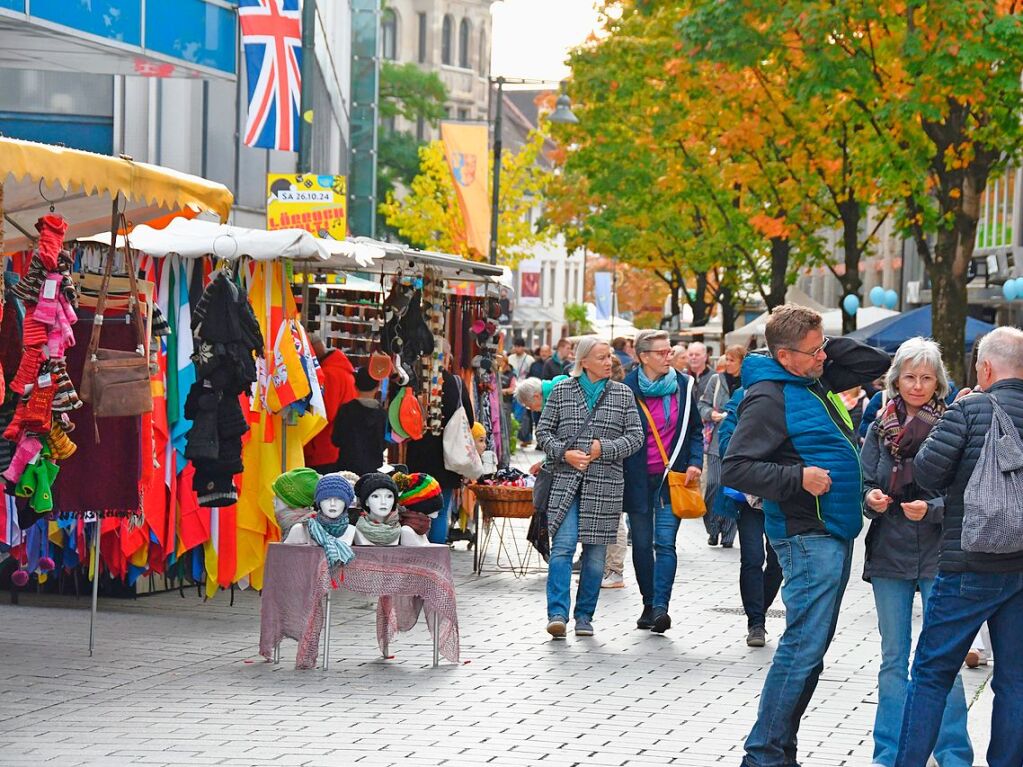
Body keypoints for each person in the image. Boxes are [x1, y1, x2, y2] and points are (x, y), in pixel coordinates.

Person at [721, 304, 890, 767]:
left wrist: (822, 346)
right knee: (802, 646)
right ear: (782, 355)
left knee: (810, 649)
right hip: (805, 533)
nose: (823, 357)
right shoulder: (770, 395)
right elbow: (735, 467)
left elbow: (876, 364)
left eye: (822, 349)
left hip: (831, 531)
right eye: (813, 351)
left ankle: (780, 749)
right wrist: (799, 479)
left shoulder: (810, 378)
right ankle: (762, 754)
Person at [897, 327, 1023, 767]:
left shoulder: (968, 410)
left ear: (985, 368)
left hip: (969, 562)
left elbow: (927, 474)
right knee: (1016, 680)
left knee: (931, 673)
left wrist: (953, 414)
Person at [860, 337, 972, 767]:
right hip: (889, 551)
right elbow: (864, 482)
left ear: (939, 381)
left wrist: (934, 509)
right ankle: (888, 754)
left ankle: (953, 755)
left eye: (927, 377)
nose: (918, 385)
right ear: (895, 379)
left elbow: (965, 493)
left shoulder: (955, 424)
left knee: (944, 656)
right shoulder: (878, 426)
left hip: (943, 551)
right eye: (910, 376)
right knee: (893, 659)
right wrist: (871, 499)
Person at [536, 337, 643, 638]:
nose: (608, 362)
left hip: (605, 484)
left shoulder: (622, 394)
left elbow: (636, 438)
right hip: (566, 481)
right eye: (601, 357)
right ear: (583, 362)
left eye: (609, 356)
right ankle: (557, 613)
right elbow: (543, 431)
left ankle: (584, 615)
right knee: (563, 546)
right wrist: (563, 453)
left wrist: (603, 449)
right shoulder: (562, 391)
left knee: (596, 554)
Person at [621, 329, 703, 632]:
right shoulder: (626, 389)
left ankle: (660, 608)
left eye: (669, 351)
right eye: (662, 352)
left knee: (664, 543)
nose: (668, 356)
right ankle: (647, 601)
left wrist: (695, 462)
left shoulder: (683, 386)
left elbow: (695, 428)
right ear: (643, 356)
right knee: (642, 544)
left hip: (673, 479)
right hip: (639, 478)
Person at [715, 384, 783, 647]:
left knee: (778, 562)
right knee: (753, 557)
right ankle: (756, 622)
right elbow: (726, 439)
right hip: (749, 494)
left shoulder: (792, 392)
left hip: (781, 491)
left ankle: (759, 609)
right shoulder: (744, 394)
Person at [405, 341, 473, 544]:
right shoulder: (456, 384)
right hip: (447, 456)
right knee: (441, 511)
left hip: (419, 453)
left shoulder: (414, 382)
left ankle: (417, 553)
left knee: (417, 508)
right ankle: (435, 555)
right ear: (447, 356)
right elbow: (468, 420)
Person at [699, 344, 744, 548]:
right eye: (726, 358)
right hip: (717, 440)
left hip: (740, 443)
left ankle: (727, 534)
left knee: (733, 488)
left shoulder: (748, 383)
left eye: (732, 359)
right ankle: (712, 526)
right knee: (714, 485)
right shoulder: (716, 380)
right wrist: (711, 414)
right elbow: (702, 404)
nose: (727, 362)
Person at [303, 335, 356, 473]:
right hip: (335, 448)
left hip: (323, 449)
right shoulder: (343, 371)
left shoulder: (329, 374)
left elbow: (323, 413)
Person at [602, 353, 629, 589]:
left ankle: (614, 570)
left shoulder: (620, 394)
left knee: (616, 519)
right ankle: (608, 569)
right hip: (612, 465)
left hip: (617, 466)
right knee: (612, 518)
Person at [331, 366, 387, 476]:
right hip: (372, 469)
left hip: (347, 467)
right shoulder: (382, 414)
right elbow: (384, 444)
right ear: (377, 387)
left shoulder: (345, 410)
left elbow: (336, 440)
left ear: (355, 386)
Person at [508, 337, 535, 445]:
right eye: (515, 346)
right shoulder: (510, 358)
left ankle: (525, 437)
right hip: (513, 389)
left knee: (523, 414)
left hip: (525, 389)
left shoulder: (529, 359)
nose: (517, 348)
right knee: (515, 413)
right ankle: (519, 437)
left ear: (523, 347)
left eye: (519, 346)